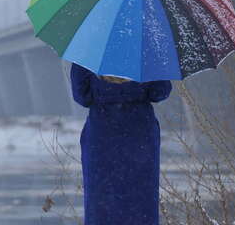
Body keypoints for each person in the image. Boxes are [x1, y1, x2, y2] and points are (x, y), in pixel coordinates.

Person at [70, 63, 172, 225]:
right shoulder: (146, 48)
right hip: (139, 135)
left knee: (101, 199)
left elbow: (81, 96)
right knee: (141, 199)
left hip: (102, 135)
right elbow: (160, 92)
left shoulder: (90, 49)